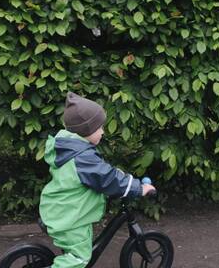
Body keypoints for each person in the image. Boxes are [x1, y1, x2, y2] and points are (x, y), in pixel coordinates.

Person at [39, 91, 156, 268]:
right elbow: (109, 178)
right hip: (69, 219)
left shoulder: (71, 148)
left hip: (63, 209)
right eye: (99, 127)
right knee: (80, 259)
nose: (102, 131)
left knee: (79, 248)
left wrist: (126, 179)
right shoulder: (83, 158)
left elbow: (102, 173)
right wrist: (139, 188)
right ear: (85, 131)